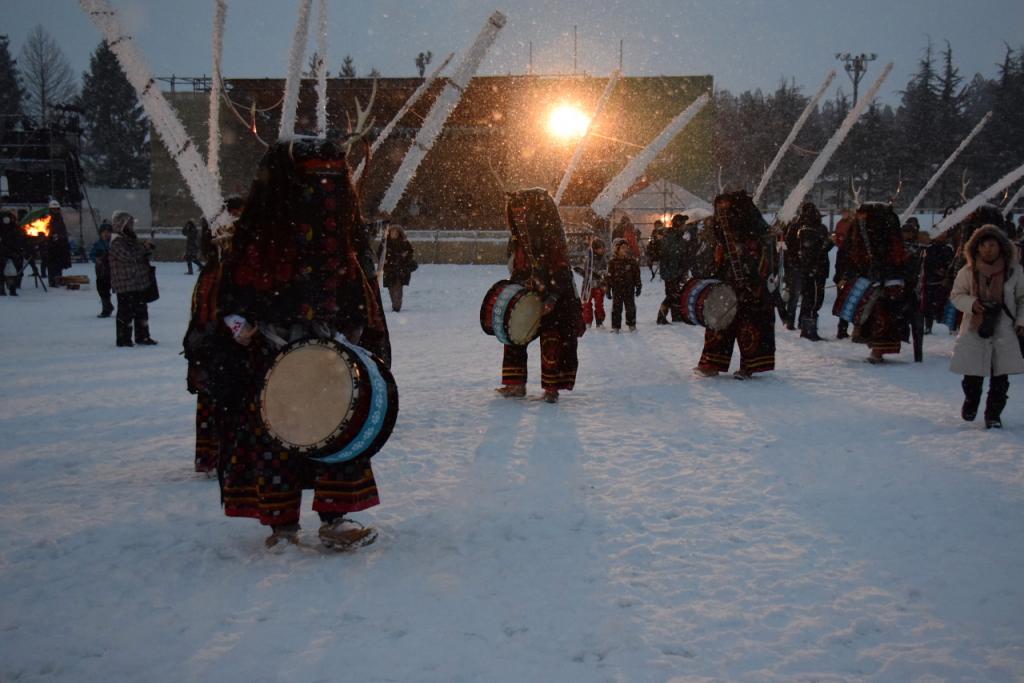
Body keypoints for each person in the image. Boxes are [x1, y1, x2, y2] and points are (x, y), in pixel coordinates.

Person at [217, 137, 390, 549]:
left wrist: (355, 329)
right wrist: (243, 328)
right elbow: (229, 299)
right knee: (277, 432)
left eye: (334, 179)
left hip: (329, 353)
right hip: (270, 354)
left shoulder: (342, 241)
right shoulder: (258, 237)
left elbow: (357, 292)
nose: (326, 191)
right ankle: (280, 521)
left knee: (336, 428)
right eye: (316, 180)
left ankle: (336, 515)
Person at [496, 188, 584, 403]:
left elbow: (561, 270)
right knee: (515, 335)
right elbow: (517, 268)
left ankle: (551, 389)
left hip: (554, 298)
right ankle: (515, 385)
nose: (518, 217)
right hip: (527, 294)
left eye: (522, 212)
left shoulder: (551, 241)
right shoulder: (517, 242)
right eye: (515, 213)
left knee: (552, 341)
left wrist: (552, 298)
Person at [183, 197, 245, 475]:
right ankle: (217, 456)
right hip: (215, 348)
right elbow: (210, 313)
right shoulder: (215, 273)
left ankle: (226, 455)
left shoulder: (231, 270)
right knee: (217, 401)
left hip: (225, 348)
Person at [694, 191, 776, 379]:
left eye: (726, 207)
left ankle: (750, 366)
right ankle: (712, 362)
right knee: (719, 322)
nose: (722, 212)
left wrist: (751, 276)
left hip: (754, 288)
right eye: (719, 207)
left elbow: (764, 263)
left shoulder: (757, 233)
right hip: (728, 284)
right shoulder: (720, 229)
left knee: (751, 326)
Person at [948, 224, 1024, 429]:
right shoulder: (968, 271)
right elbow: (956, 295)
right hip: (974, 329)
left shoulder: (1014, 272)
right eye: (983, 245)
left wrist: (1020, 321)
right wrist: (972, 304)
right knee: (972, 376)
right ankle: (971, 402)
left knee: (1001, 378)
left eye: (992, 244)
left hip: (1004, 329)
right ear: (976, 248)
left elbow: (1022, 298)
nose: (988, 249)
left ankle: (993, 415)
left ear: (1001, 247)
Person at [843, 202, 908, 363]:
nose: (859, 217)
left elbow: (893, 255)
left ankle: (878, 350)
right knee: (872, 314)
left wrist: (882, 273)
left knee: (883, 314)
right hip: (872, 277)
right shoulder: (864, 228)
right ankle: (875, 347)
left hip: (886, 278)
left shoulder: (881, 228)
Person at [784, 202, 832, 340]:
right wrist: (830, 243)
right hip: (815, 268)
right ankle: (807, 328)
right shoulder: (818, 228)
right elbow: (822, 249)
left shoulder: (796, 226)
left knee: (801, 296)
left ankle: (796, 323)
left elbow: (788, 245)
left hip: (800, 267)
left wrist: (795, 260)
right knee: (812, 299)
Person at [109, 211, 158, 347]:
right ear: (121, 225)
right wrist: (143, 248)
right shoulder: (116, 242)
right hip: (125, 284)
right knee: (125, 313)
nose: (131, 227)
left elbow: (137, 254)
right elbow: (129, 256)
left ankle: (143, 336)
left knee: (141, 311)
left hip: (137, 283)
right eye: (129, 224)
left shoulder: (129, 240)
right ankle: (123, 339)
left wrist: (146, 249)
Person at [656, 213, 695, 325]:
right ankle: (661, 316)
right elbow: (673, 252)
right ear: (679, 224)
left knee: (676, 293)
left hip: (676, 270)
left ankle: (676, 316)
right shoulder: (672, 236)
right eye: (683, 224)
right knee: (672, 294)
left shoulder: (677, 235)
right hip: (671, 270)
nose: (685, 226)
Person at [376, 223, 417, 312]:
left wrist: (404, 255)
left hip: (399, 269)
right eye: (392, 232)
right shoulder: (385, 242)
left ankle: (397, 306)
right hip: (388, 269)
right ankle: (394, 303)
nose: (394, 234)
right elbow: (379, 253)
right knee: (391, 288)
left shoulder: (404, 242)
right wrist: (384, 259)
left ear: (399, 233)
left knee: (398, 288)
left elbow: (410, 252)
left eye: (396, 232)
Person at [920, 234, 955, 334]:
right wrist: (935, 270)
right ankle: (928, 326)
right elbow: (926, 265)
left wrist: (947, 276)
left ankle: (943, 326)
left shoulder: (948, 249)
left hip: (943, 282)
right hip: (930, 281)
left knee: (942, 305)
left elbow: (951, 264)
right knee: (928, 306)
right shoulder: (929, 249)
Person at [606, 237, 641, 332]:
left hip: (629, 288)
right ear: (617, 249)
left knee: (630, 307)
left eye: (626, 247)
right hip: (617, 289)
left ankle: (631, 324)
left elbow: (637, 275)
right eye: (622, 247)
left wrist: (638, 286)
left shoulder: (632, 261)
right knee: (616, 308)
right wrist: (608, 289)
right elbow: (609, 277)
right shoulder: (612, 262)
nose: (625, 249)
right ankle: (616, 326)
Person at [832, 207, 855, 339]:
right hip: (846, 275)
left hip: (845, 275)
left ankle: (844, 328)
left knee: (845, 302)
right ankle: (842, 329)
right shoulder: (842, 224)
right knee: (846, 302)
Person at [577, 236, 608, 328]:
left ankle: (599, 321)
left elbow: (604, 272)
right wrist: (582, 272)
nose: (602, 250)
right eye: (600, 248)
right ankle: (587, 321)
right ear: (595, 249)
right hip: (588, 286)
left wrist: (601, 275)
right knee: (586, 304)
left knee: (599, 304)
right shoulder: (589, 259)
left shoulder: (603, 260)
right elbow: (587, 272)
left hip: (599, 286)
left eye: (603, 248)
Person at [89, 221, 114, 317]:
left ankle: (109, 308)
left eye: (108, 232)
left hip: (112, 270)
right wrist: (97, 259)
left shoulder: (114, 243)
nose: (106, 234)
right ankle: (107, 307)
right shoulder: (97, 244)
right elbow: (91, 255)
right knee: (102, 290)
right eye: (104, 232)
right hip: (101, 271)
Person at [45, 200, 72, 287]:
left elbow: (62, 230)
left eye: (56, 209)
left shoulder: (60, 218)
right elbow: (45, 231)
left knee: (59, 264)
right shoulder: (47, 218)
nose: (55, 210)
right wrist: (52, 236)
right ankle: (52, 281)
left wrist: (62, 237)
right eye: (53, 209)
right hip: (51, 245)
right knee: (52, 264)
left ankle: (58, 279)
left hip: (60, 245)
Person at [0, 210, 24, 296]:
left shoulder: (14, 227)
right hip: (5, 252)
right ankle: (3, 289)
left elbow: (19, 238)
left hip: (12, 251)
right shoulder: (9, 228)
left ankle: (11, 289)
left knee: (13, 272)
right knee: (3, 271)